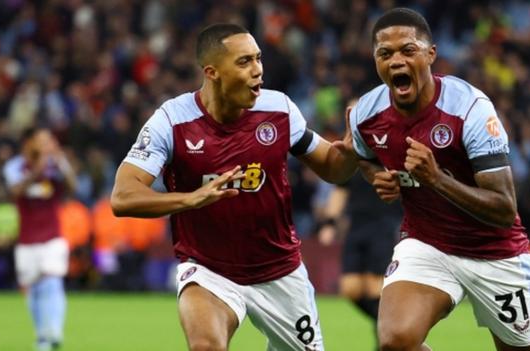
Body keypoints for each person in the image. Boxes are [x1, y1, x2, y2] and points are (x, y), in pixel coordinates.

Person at [110, 23, 357, 351]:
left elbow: (333, 168)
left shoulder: (279, 109)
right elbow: (123, 196)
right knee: (206, 346)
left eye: (258, 59)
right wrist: (189, 200)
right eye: (244, 62)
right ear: (212, 72)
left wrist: (355, 151)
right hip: (209, 271)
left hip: (280, 272)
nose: (258, 71)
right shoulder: (171, 121)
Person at [348, 8, 530, 351]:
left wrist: (436, 178)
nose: (396, 61)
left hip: (495, 252)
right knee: (395, 341)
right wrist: (381, 177)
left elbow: (503, 207)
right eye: (385, 53)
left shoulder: (470, 109)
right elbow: (365, 159)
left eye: (408, 50)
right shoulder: (366, 113)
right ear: (375, 61)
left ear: (430, 54)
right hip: (427, 244)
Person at [3, 127, 77, 351]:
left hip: (53, 236)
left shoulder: (56, 166)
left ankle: (54, 331)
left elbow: (72, 187)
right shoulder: (15, 166)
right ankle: (42, 336)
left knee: (52, 280)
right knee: (32, 288)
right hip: (26, 240)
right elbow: (15, 190)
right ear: (31, 144)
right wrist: (38, 170)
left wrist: (60, 162)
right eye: (42, 142)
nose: (47, 146)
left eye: (49, 141)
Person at [317, 172, 402, 348]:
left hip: (384, 226)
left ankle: (386, 339)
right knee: (350, 288)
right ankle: (392, 326)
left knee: (374, 289)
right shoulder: (355, 156)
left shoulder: (390, 157)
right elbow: (340, 190)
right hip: (356, 226)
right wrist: (330, 222)